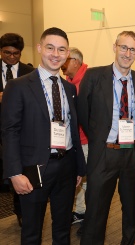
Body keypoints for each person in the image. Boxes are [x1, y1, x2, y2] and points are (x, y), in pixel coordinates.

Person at [2, 27, 86, 244]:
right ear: (40, 48)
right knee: (31, 233)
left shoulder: (69, 88)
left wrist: (78, 166)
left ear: (67, 54)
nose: (55, 54)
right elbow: (9, 131)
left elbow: (72, 129)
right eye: (50, 48)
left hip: (66, 166)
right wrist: (14, 173)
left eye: (61, 49)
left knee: (62, 230)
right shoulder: (18, 86)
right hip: (33, 169)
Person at [78, 31, 135, 245]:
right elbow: (82, 112)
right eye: (123, 47)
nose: (127, 53)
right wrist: (100, 139)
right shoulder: (94, 76)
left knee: (130, 210)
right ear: (115, 47)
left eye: (132, 49)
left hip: (131, 155)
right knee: (96, 210)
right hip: (103, 154)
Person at [0, 32, 34, 227]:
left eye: (16, 53)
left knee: (18, 171)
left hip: (21, 132)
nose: (12, 57)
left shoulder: (30, 71)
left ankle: (20, 211)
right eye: (7, 53)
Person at [61, 47, 89, 226]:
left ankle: (86, 213)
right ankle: (80, 211)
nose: (62, 63)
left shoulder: (88, 80)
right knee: (77, 179)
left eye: (66, 59)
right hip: (71, 140)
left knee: (84, 179)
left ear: (76, 62)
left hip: (86, 140)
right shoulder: (69, 80)